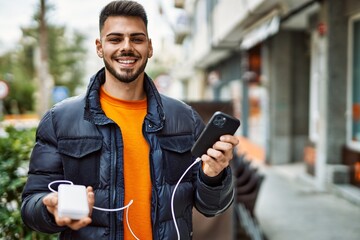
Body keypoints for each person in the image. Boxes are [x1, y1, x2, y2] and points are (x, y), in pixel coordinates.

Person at [21, 1, 239, 239]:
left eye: (137, 39)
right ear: (99, 47)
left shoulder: (185, 118)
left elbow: (211, 206)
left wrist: (214, 175)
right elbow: (32, 205)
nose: (127, 47)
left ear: (150, 47)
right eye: (115, 39)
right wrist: (48, 207)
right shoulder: (59, 120)